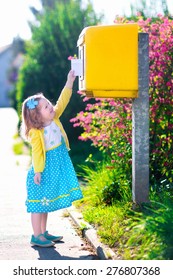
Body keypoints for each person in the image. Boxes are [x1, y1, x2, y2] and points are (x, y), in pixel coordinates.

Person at [21, 70, 83, 247]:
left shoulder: (54, 118)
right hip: (42, 171)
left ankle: (43, 233)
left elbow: (62, 101)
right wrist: (38, 171)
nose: (51, 107)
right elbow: (37, 153)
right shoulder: (36, 132)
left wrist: (69, 82)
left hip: (54, 165)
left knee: (45, 204)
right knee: (38, 205)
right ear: (37, 116)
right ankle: (36, 236)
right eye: (47, 107)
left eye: (49, 104)